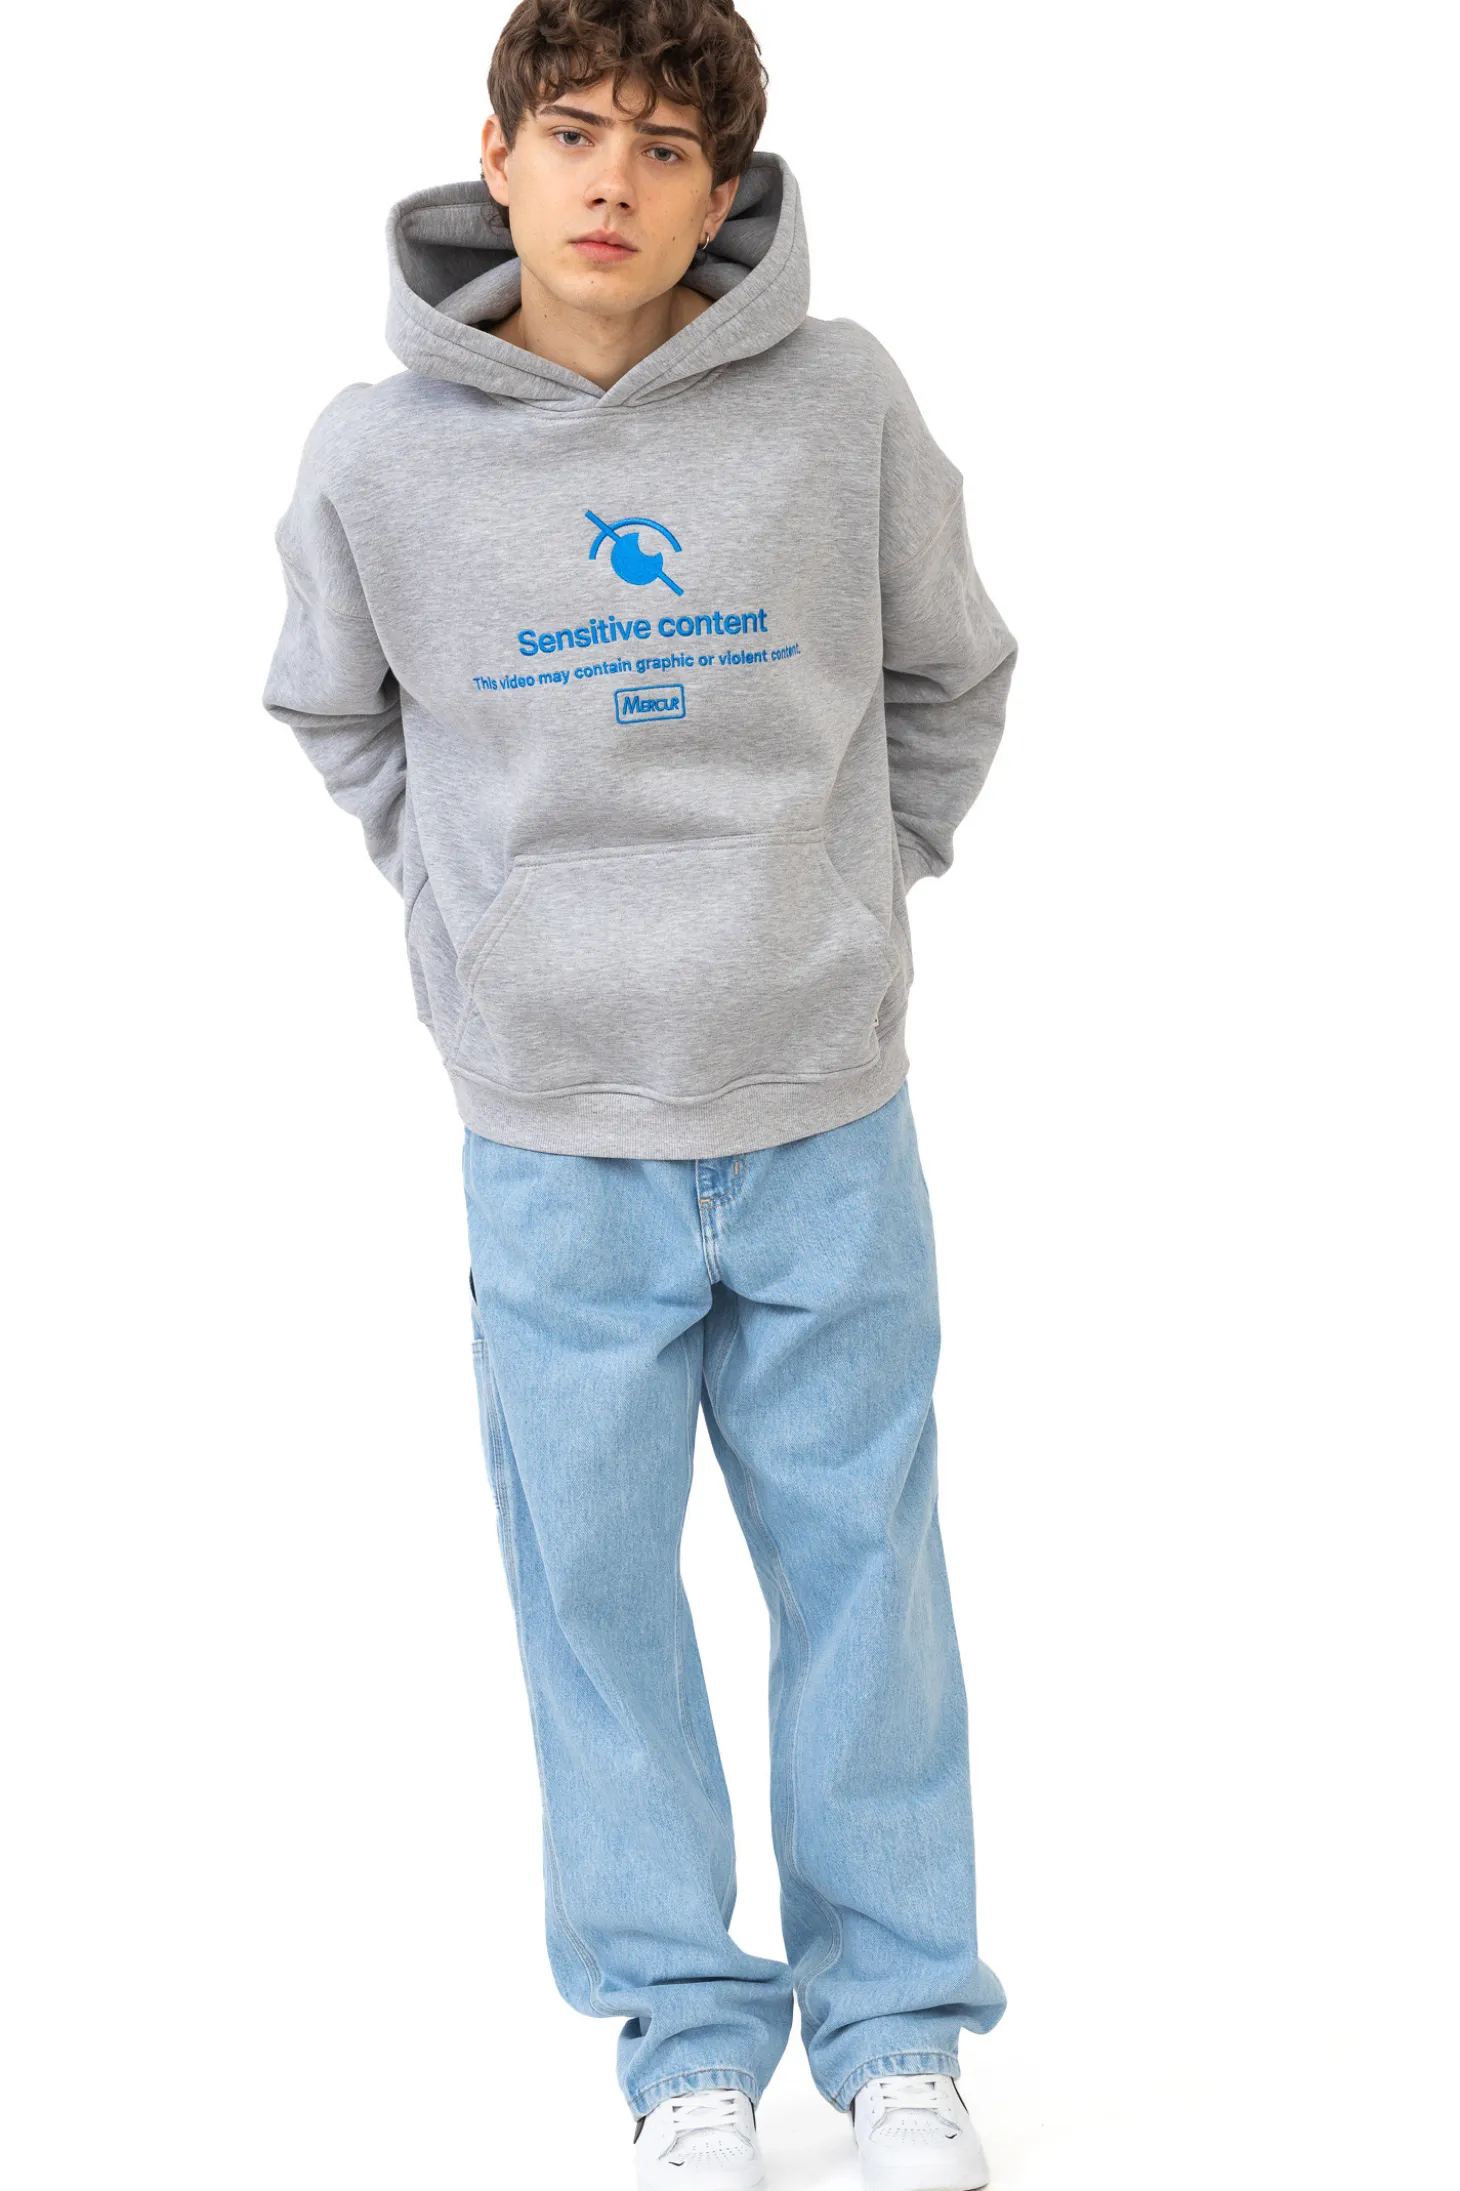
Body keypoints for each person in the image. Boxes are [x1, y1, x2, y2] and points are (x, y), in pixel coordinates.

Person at [262, 3, 1018, 2184]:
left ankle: (898, 2036)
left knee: (866, 1582)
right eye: (575, 131)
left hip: (821, 1112)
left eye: (667, 147)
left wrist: (850, 892)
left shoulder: (837, 404)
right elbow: (335, 709)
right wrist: (473, 913)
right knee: (595, 1607)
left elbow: (953, 673)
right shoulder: (376, 457)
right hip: (553, 1137)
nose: (613, 178)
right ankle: (686, 2046)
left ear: (724, 189)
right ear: (496, 154)